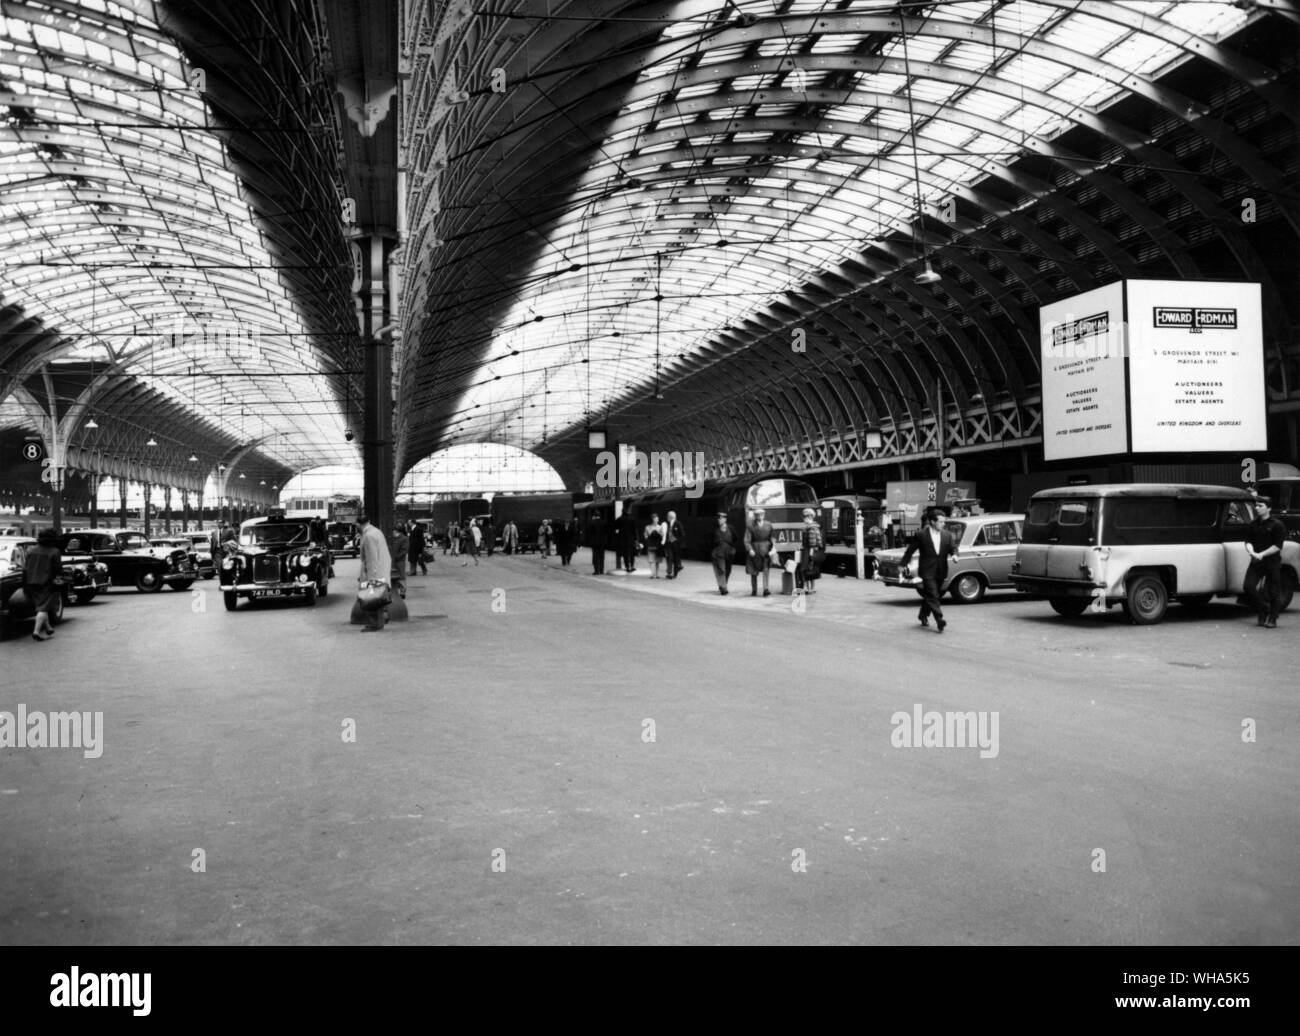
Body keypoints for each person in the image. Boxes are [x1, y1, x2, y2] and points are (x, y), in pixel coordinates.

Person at [900, 506, 960, 632]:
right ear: (932, 521)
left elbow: (953, 548)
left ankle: (922, 615)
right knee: (933, 594)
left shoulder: (947, 535)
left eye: (944, 522)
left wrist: (955, 554)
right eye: (941, 522)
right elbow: (910, 550)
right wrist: (902, 564)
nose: (943, 524)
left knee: (932, 595)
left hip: (941, 570)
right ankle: (940, 620)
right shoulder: (921, 535)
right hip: (927, 570)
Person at [1245, 495, 1286, 628]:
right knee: (1248, 587)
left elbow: (1277, 546)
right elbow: (1248, 541)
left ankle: (1272, 619)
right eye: (1256, 506)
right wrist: (1252, 552)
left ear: (1269, 508)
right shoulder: (1253, 524)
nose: (1257, 508)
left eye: (1260, 506)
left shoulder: (1277, 525)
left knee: (1273, 591)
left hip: (1272, 562)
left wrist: (1262, 554)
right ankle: (1263, 608)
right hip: (1256, 561)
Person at [24, 527, 61, 641]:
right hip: (45, 583)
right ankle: (36, 632)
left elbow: (25, 569)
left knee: (41, 606)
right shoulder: (54, 551)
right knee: (43, 608)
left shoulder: (30, 550)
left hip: (30, 582)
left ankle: (48, 628)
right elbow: (57, 569)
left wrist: (24, 583)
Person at [356, 514, 392, 632]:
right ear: (369, 521)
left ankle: (373, 624)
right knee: (378, 598)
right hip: (381, 570)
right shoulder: (377, 531)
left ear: (358, 524)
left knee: (371, 598)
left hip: (374, 572)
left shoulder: (368, 536)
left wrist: (372, 579)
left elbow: (371, 559)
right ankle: (379, 623)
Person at [744, 507, 774, 597]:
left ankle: (766, 589)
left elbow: (772, 537)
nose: (759, 516)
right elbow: (747, 540)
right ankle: (754, 590)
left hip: (766, 550)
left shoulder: (768, 525)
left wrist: (773, 548)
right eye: (757, 515)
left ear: (764, 515)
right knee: (753, 571)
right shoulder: (750, 526)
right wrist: (750, 549)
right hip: (755, 550)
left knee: (766, 570)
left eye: (761, 515)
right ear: (755, 516)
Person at [798, 507, 825, 593]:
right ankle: (811, 588)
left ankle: (806, 587)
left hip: (808, 551)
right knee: (811, 569)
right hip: (811, 551)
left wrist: (810, 554)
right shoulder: (815, 527)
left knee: (805, 569)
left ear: (810, 517)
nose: (803, 518)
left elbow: (812, 543)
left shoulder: (810, 528)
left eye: (805, 516)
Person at [710, 512, 736, 595]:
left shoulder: (731, 528)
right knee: (721, 569)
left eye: (720, 518)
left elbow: (735, 538)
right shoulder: (714, 529)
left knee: (728, 570)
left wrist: (733, 549)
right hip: (718, 553)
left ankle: (723, 584)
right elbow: (710, 540)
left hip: (729, 552)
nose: (718, 520)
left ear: (725, 519)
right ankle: (724, 588)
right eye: (718, 518)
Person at [615, 506, 639, 572]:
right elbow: (634, 530)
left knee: (625, 554)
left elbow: (616, 529)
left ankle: (627, 567)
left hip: (622, 539)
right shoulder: (632, 519)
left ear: (622, 512)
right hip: (631, 539)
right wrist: (636, 539)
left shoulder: (619, 519)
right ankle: (632, 566)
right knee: (632, 553)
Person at [644, 513, 666, 578]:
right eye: (655, 519)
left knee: (657, 560)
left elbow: (663, 535)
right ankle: (652, 574)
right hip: (651, 544)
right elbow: (645, 535)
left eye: (657, 519)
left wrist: (659, 534)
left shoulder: (660, 527)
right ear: (652, 520)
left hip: (658, 545)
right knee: (651, 560)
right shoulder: (647, 527)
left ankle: (657, 574)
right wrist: (649, 536)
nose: (656, 520)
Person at [664, 510, 684, 578]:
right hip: (669, 544)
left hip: (675, 545)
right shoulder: (667, 524)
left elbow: (682, 534)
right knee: (670, 557)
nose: (667, 517)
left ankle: (675, 574)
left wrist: (677, 542)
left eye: (667, 516)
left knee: (675, 558)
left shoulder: (678, 523)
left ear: (670, 517)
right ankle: (670, 572)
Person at [391, 526, 409, 598]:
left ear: (396, 531)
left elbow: (404, 550)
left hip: (400, 560)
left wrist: (396, 557)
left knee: (401, 576)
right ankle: (397, 590)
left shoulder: (404, 539)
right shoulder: (394, 538)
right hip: (394, 560)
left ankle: (402, 591)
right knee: (397, 576)